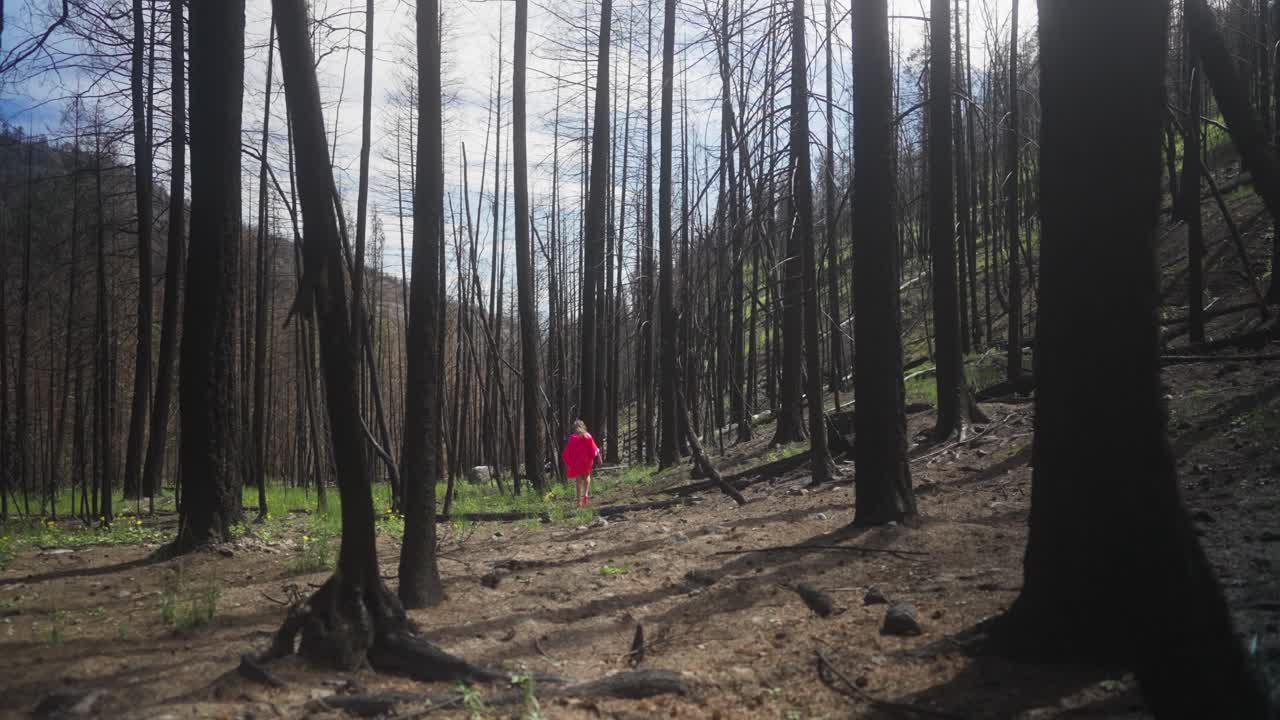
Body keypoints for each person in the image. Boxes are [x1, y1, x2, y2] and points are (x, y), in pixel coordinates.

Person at [562, 419, 601, 508]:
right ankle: (586, 494)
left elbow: (568, 451)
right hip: (587, 461)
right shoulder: (588, 436)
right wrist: (598, 457)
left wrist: (569, 462)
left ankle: (579, 501)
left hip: (577, 461)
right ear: (583, 426)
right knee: (587, 476)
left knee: (578, 480)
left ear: (575, 428)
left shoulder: (572, 438)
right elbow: (594, 448)